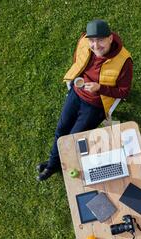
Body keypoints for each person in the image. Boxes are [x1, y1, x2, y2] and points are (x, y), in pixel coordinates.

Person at [36, 19, 133, 181]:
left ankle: (53, 165)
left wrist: (99, 88)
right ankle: (53, 165)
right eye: (92, 41)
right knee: (61, 131)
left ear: (110, 38)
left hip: (96, 105)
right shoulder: (84, 42)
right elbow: (78, 60)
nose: (96, 46)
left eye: (100, 40)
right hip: (77, 92)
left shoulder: (124, 61)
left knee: (72, 138)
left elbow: (124, 92)